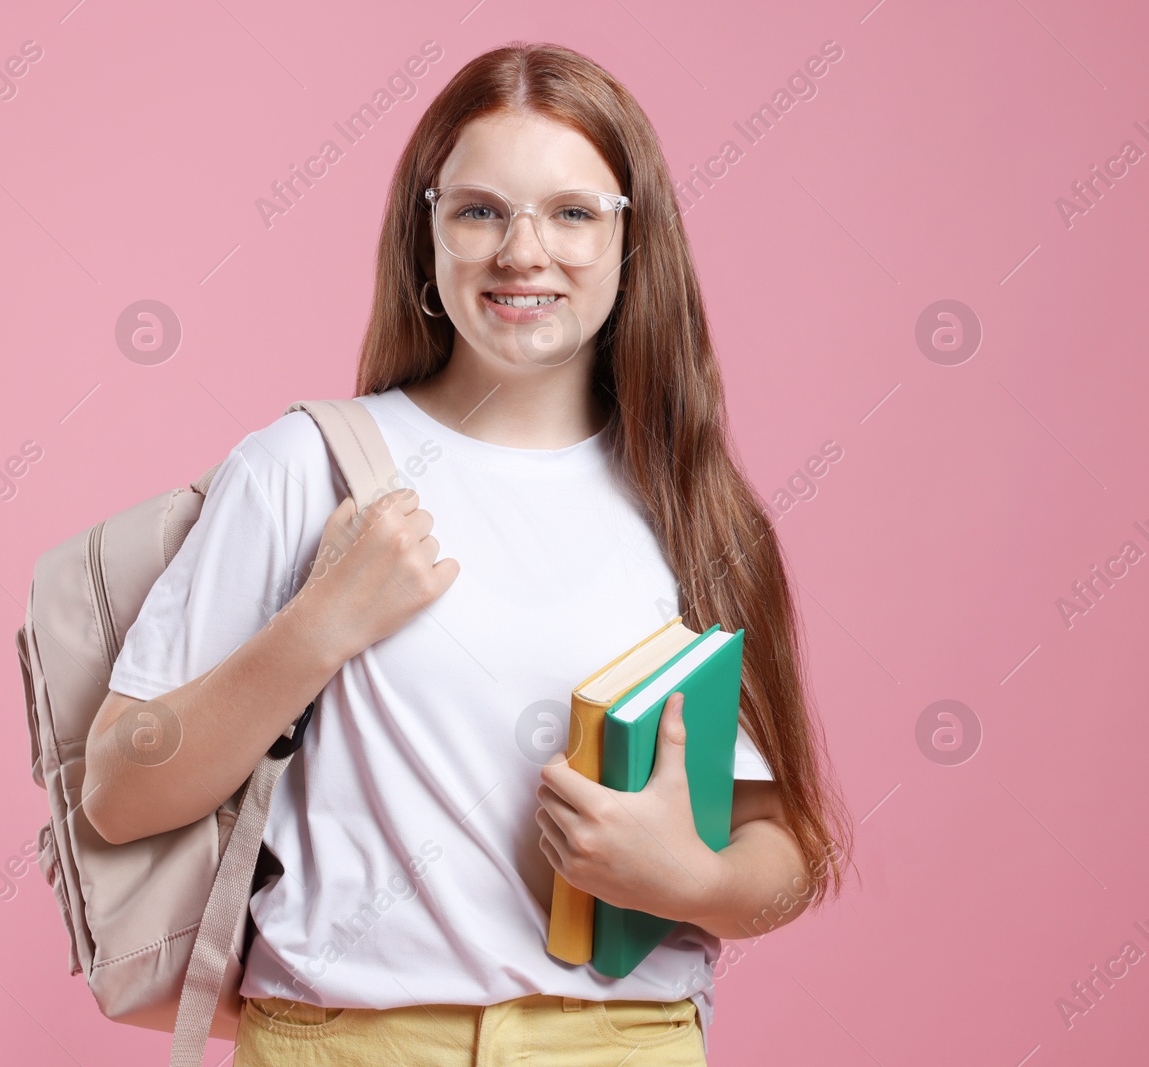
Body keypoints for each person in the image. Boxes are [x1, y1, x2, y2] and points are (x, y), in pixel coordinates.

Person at [82, 41, 854, 1066]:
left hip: (621, 1045)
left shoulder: (695, 509)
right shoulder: (302, 469)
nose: (522, 252)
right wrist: (320, 626)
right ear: (428, 234)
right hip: (348, 1044)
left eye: (572, 213)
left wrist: (686, 880)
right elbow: (118, 788)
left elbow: (786, 850)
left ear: (634, 239)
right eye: (480, 210)